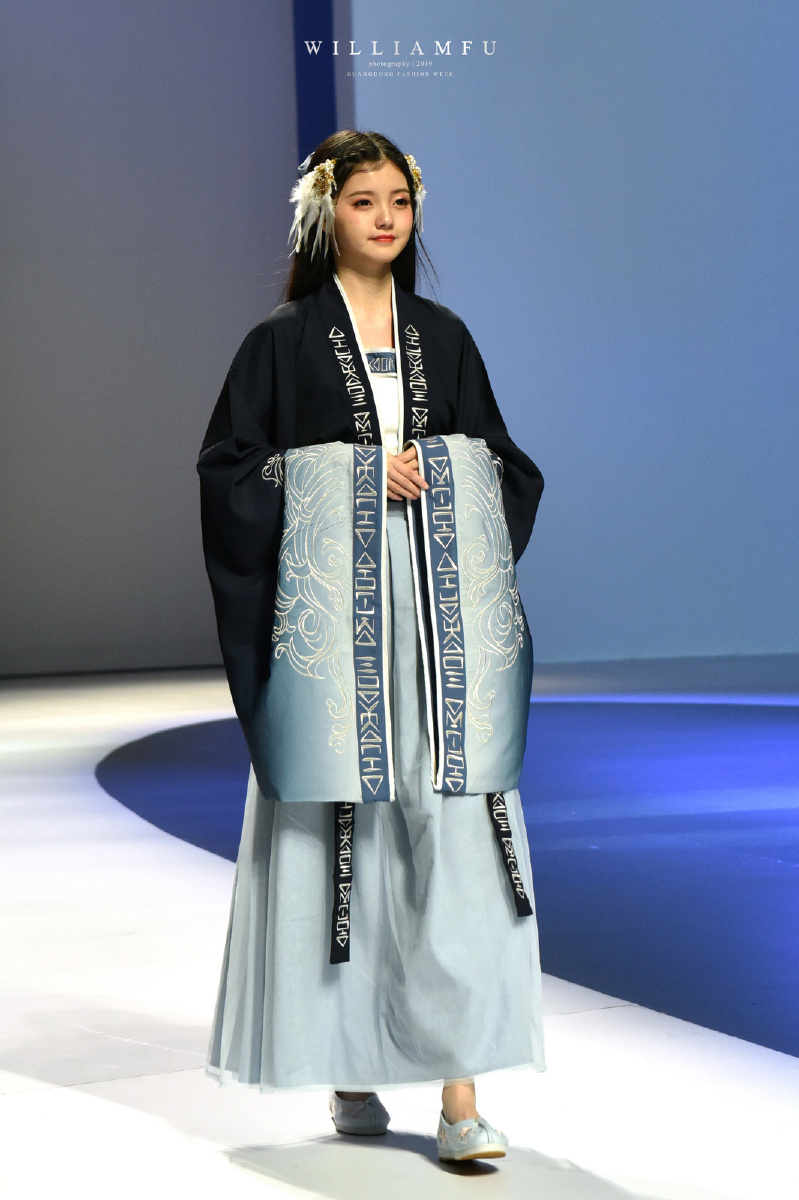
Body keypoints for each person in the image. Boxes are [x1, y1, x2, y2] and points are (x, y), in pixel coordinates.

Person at [197, 130, 546, 1164]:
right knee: (343, 829)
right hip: (338, 645)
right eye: (363, 201)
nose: (386, 218)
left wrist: (438, 467)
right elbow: (229, 473)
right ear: (326, 213)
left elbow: (507, 466)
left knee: (453, 831)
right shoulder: (281, 341)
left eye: (399, 200)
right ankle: (349, 1062)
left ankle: (460, 1096)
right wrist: (353, 476)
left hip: (438, 635)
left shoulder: (447, 336)